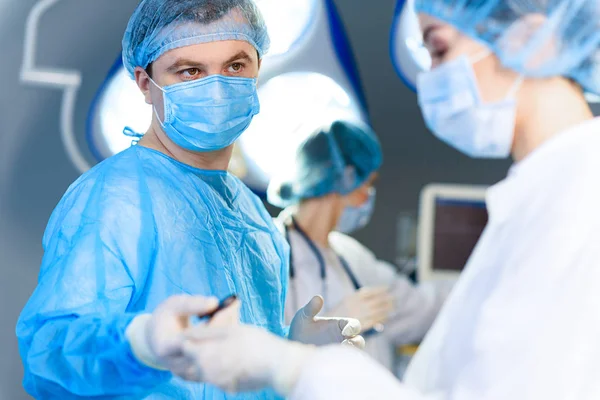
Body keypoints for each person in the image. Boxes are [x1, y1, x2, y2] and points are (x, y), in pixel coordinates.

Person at [163, 0, 600, 398]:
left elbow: (426, 310)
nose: (432, 79)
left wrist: (292, 367)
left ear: (529, 37)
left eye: (440, 49)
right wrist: (290, 355)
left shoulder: (576, 206)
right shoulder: (543, 200)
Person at [15, 1, 363, 399]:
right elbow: (52, 350)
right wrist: (143, 342)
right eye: (190, 71)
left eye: (235, 66)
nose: (216, 88)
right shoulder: (116, 198)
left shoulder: (253, 218)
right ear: (145, 83)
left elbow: (230, 369)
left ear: (258, 68)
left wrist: (287, 354)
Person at [267, 120, 452, 372]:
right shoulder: (267, 253)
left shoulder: (350, 255)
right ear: (347, 178)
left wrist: (481, 280)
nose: (369, 196)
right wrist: (324, 331)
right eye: (368, 184)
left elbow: (420, 308)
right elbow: (251, 357)